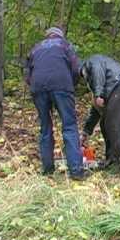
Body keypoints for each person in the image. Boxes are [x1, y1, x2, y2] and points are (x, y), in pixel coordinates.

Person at [25, 26, 86, 180]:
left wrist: (35, 87)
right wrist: (71, 85)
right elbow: (76, 69)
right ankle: (76, 171)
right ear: (60, 36)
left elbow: (27, 74)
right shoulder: (65, 45)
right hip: (61, 85)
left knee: (45, 127)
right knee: (69, 126)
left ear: (47, 36)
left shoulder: (36, 48)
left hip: (38, 87)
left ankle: (47, 169)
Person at [79, 55, 120, 178]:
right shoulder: (103, 83)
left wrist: (97, 93)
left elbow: (97, 70)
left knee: (114, 122)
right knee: (105, 122)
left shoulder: (93, 62)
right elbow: (95, 110)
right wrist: (86, 132)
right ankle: (112, 159)